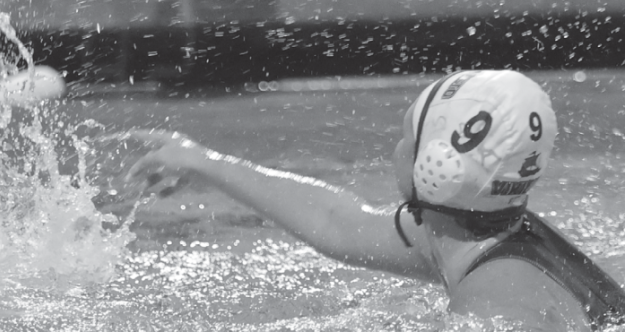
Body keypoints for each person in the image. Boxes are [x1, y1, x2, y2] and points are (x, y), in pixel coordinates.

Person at [123, 69, 625, 330]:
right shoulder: (472, 233)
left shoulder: (495, 303)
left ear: (435, 167)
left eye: (407, 136)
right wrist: (200, 160)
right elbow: (336, 221)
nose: (395, 147)